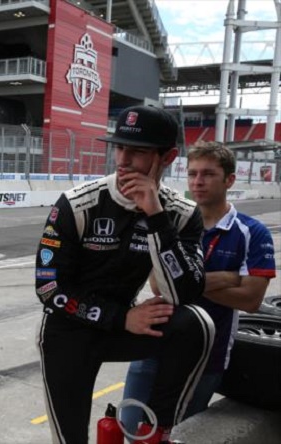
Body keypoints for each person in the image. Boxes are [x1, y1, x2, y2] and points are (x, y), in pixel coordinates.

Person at [35, 105, 215, 444]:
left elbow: (185, 294)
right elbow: (47, 287)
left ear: (168, 157)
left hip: (123, 326)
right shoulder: (77, 204)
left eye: (138, 151)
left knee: (196, 323)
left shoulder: (180, 213)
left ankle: (156, 432)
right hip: (70, 331)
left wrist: (156, 217)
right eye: (119, 147)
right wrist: (121, 318)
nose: (123, 159)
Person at [121, 142, 276, 434]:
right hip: (154, 343)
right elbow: (159, 285)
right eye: (192, 174)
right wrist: (229, 278)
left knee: (180, 434)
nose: (197, 181)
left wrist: (185, 281)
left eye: (208, 174)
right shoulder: (173, 223)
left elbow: (252, 300)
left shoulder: (252, 232)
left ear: (229, 179)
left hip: (208, 354)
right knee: (132, 427)